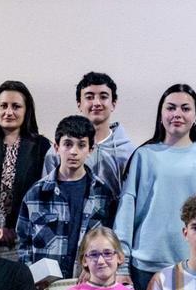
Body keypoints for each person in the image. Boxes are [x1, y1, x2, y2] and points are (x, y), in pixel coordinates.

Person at [115, 84, 196, 290]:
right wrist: (121, 264)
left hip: (194, 263)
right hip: (145, 264)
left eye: (185, 109)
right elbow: (127, 209)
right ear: (161, 114)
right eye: (171, 108)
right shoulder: (143, 155)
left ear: (195, 116)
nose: (177, 114)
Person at [17, 115, 115, 278]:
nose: (73, 152)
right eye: (67, 144)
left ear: (91, 149)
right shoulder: (36, 194)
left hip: (88, 285)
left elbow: (110, 242)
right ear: (56, 147)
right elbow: (22, 243)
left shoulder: (103, 194)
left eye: (81, 145)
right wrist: (31, 277)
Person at [0, 80, 52, 250]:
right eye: (3, 106)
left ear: (26, 110)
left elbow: (46, 195)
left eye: (16, 106)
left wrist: (16, 228)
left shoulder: (41, 147)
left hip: (28, 236)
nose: (8, 112)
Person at [43, 71, 136, 199]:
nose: (96, 103)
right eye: (89, 97)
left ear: (113, 103)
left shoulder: (128, 152)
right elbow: (45, 196)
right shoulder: (57, 151)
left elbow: (130, 200)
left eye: (103, 97)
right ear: (79, 104)